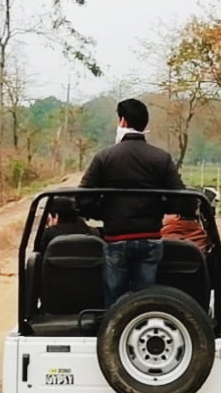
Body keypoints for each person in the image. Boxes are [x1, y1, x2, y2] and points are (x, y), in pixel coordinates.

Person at [79, 98, 185, 307]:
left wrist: (104, 213)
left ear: (123, 122)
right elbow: (181, 199)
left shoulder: (105, 157)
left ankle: (114, 331)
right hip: (151, 238)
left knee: (115, 301)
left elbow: (83, 199)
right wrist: (159, 209)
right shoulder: (161, 158)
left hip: (116, 238)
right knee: (144, 300)